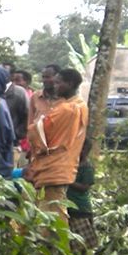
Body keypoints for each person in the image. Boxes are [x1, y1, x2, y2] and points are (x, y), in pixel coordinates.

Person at [24, 67, 89, 217]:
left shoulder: (66, 109)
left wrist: (36, 125)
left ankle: (57, 240)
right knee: (47, 208)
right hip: (64, 165)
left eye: (59, 83)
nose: (55, 86)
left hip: (53, 167)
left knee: (53, 213)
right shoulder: (80, 105)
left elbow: (38, 132)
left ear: (70, 84)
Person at [67, 139, 97, 255]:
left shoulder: (87, 167)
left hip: (81, 205)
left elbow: (85, 187)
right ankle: (75, 253)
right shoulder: (73, 163)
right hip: (70, 204)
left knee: (84, 234)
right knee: (72, 231)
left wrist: (69, 181)